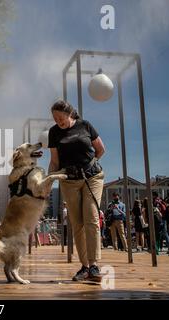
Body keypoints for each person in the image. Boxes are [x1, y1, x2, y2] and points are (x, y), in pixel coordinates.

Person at [48, 100, 105, 282]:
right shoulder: (54, 132)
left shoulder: (85, 125)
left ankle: (94, 265)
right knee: (77, 222)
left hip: (92, 178)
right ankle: (85, 267)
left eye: (60, 117)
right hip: (69, 181)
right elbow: (55, 161)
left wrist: (88, 166)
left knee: (91, 217)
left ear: (69, 114)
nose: (58, 121)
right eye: (55, 118)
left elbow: (100, 149)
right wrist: (49, 181)